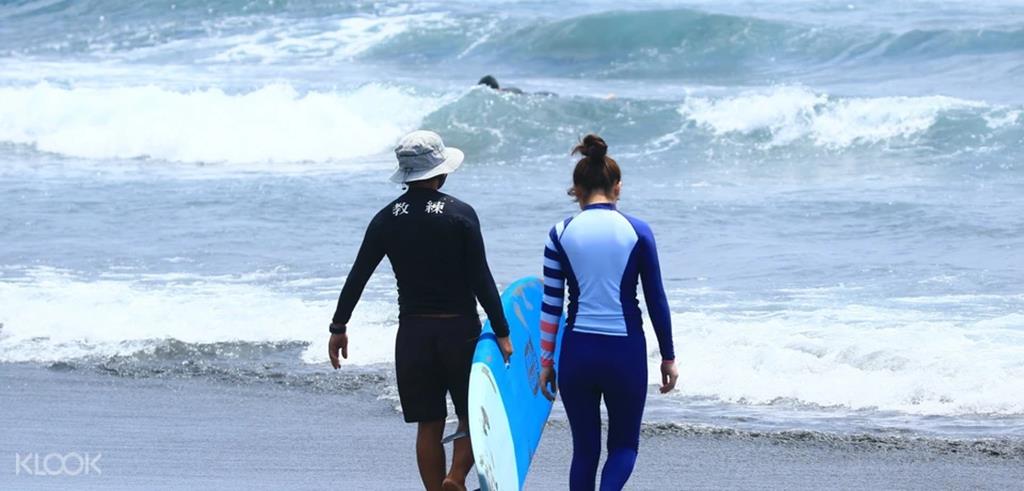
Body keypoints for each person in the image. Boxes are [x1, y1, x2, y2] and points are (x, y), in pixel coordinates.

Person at [327, 130, 514, 491]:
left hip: (412, 334)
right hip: (459, 331)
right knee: (469, 415)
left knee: (429, 423)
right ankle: (456, 477)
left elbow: (358, 275)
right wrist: (503, 331)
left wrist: (339, 326)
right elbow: (481, 277)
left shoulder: (386, 219)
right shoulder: (460, 214)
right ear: (440, 172)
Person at [538, 134, 678, 490]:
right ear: (618, 187)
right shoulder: (638, 231)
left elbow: (551, 303)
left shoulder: (559, 233)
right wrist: (668, 357)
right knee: (624, 446)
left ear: (576, 189)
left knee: (584, 451)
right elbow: (656, 299)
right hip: (624, 352)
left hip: (578, 352)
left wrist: (545, 361)